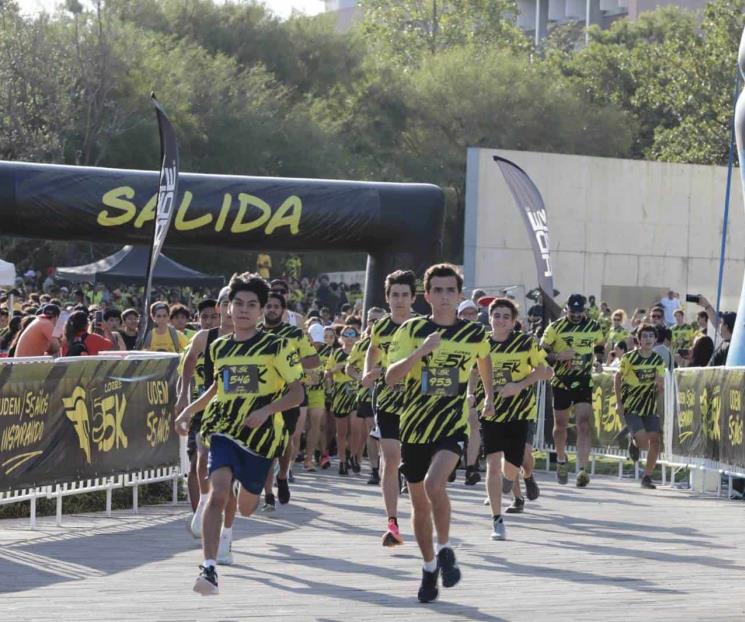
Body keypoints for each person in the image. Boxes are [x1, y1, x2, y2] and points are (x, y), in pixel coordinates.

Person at [174, 272, 304, 596]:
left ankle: (262, 480)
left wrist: (266, 411)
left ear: (261, 311)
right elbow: (218, 388)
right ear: (227, 308)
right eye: (238, 304)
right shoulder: (218, 347)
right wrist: (188, 410)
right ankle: (209, 568)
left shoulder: (277, 346)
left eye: (251, 305)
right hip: (223, 428)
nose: (244, 310)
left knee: (246, 507)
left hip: (261, 436)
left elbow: (297, 393)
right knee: (217, 491)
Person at [386, 263, 494, 604]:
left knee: (436, 485)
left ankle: (445, 550)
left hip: (452, 426)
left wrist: (489, 396)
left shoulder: (474, 334)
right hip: (415, 427)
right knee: (419, 503)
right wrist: (421, 352)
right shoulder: (412, 330)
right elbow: (390, 377)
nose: (445, 297)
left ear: (459, 295)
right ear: (427, 295)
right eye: (438, 290)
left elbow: (484, 362)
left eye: (451, 291)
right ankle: (429, 566)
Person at [472, 298, 552, 539]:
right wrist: (470, 397)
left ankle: (519, 478)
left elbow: (548, 371)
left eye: (506, 316)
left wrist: (519, 385)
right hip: (491, 411)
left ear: (514, 321)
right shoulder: (481, 344)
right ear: (489, 317)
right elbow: (471, 373)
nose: (500, 320)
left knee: (511, 467)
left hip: (519, 412)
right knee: (493, 465)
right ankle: (497, 521)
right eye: (496, 315)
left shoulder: (525, 343)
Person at [362, 269, 417, 547]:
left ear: (413, 297)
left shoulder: (423, 326)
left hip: (419, 402)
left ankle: (421, 514)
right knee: (392, 458)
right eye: (395, 295)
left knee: (416, 462)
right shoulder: (380, 327)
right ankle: (392, 523)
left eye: (404, 295)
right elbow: (372, 350)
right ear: (387, 298)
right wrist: (367, 371)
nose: (399, 300)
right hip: (387, 401)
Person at [177, 289, 232, 550]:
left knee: (229, 478)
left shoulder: (254, 339)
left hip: (241, 412)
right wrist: (183, 398)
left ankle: (226, 534)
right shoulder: (205, 337)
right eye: (226, 303)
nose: (231, 308)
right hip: (208, 405)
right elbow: (187, 364)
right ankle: (202, 503)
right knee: (201, 461)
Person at [261, 292, 320, 509]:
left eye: (276, 306)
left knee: (285, 441)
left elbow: (315, 360)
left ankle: (283, 475)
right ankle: (267, 493)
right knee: (266, 443)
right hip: (263, 396)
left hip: (290, 394)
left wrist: (290, 364)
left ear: (283, 311)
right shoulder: (255, 333)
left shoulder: (295, 334)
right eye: (268, 306)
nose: (272, 310)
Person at [541, 294, 605, 487]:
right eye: (572, 312)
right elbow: (541, 352)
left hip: (583, 381)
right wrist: (558, 356)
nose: (576, 315)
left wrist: (599, 362)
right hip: (561, 382)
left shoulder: (593, 326)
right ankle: (561, 459)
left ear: (584, 310)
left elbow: (600, 346)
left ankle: (582, 470)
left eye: (579, 312)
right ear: (566, 309)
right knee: (560, 427)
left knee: (584, 424)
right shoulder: (555, 327)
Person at [614, 323, 665, 489]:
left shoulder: (658, 360)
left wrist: (660, 385)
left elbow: (660, 380)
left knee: (655, 442)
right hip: (632, 405)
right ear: (639, 340)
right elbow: (617, 378)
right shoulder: (629, 358)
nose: (648, 339)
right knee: (643, 443)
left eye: (651, 336)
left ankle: (647, 477)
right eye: (645, 336)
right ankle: (634, 441)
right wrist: (619, 402)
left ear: (655, 339)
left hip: (649, 405)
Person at [345, 307, 385, 483]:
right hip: (367, 394)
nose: (374, 323)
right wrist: (360, 378)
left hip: (388, 392)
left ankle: (389, 468)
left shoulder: (391, 341)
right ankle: (375, 470)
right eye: (371, 320)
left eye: (377, 320)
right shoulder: (361, 345)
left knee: (386, 433)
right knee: (372, 430)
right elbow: (349, 367)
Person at [457, 299, 483, 486]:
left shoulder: (482, 337)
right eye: (465, 314)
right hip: (447, 389)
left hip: (473, 391)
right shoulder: (448, 335)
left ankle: (471, 467)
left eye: (472, 314)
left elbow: (476, 370)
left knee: (473, 423)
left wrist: (470, 393)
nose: (468, 317)